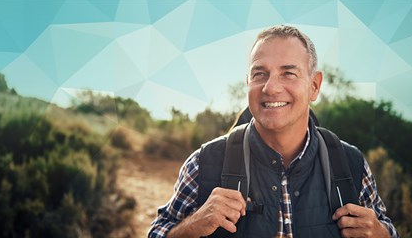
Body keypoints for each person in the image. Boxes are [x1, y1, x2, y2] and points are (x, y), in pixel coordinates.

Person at [149, 25, 398, 238]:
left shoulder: (351, 165)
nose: (270, 87)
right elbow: (158, 231)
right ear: (248, 82)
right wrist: (193, 226)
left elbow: (385, 229)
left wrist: (381, 233)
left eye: (288, 73)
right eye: (260, 74)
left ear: (314, 85)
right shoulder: (203, 163)